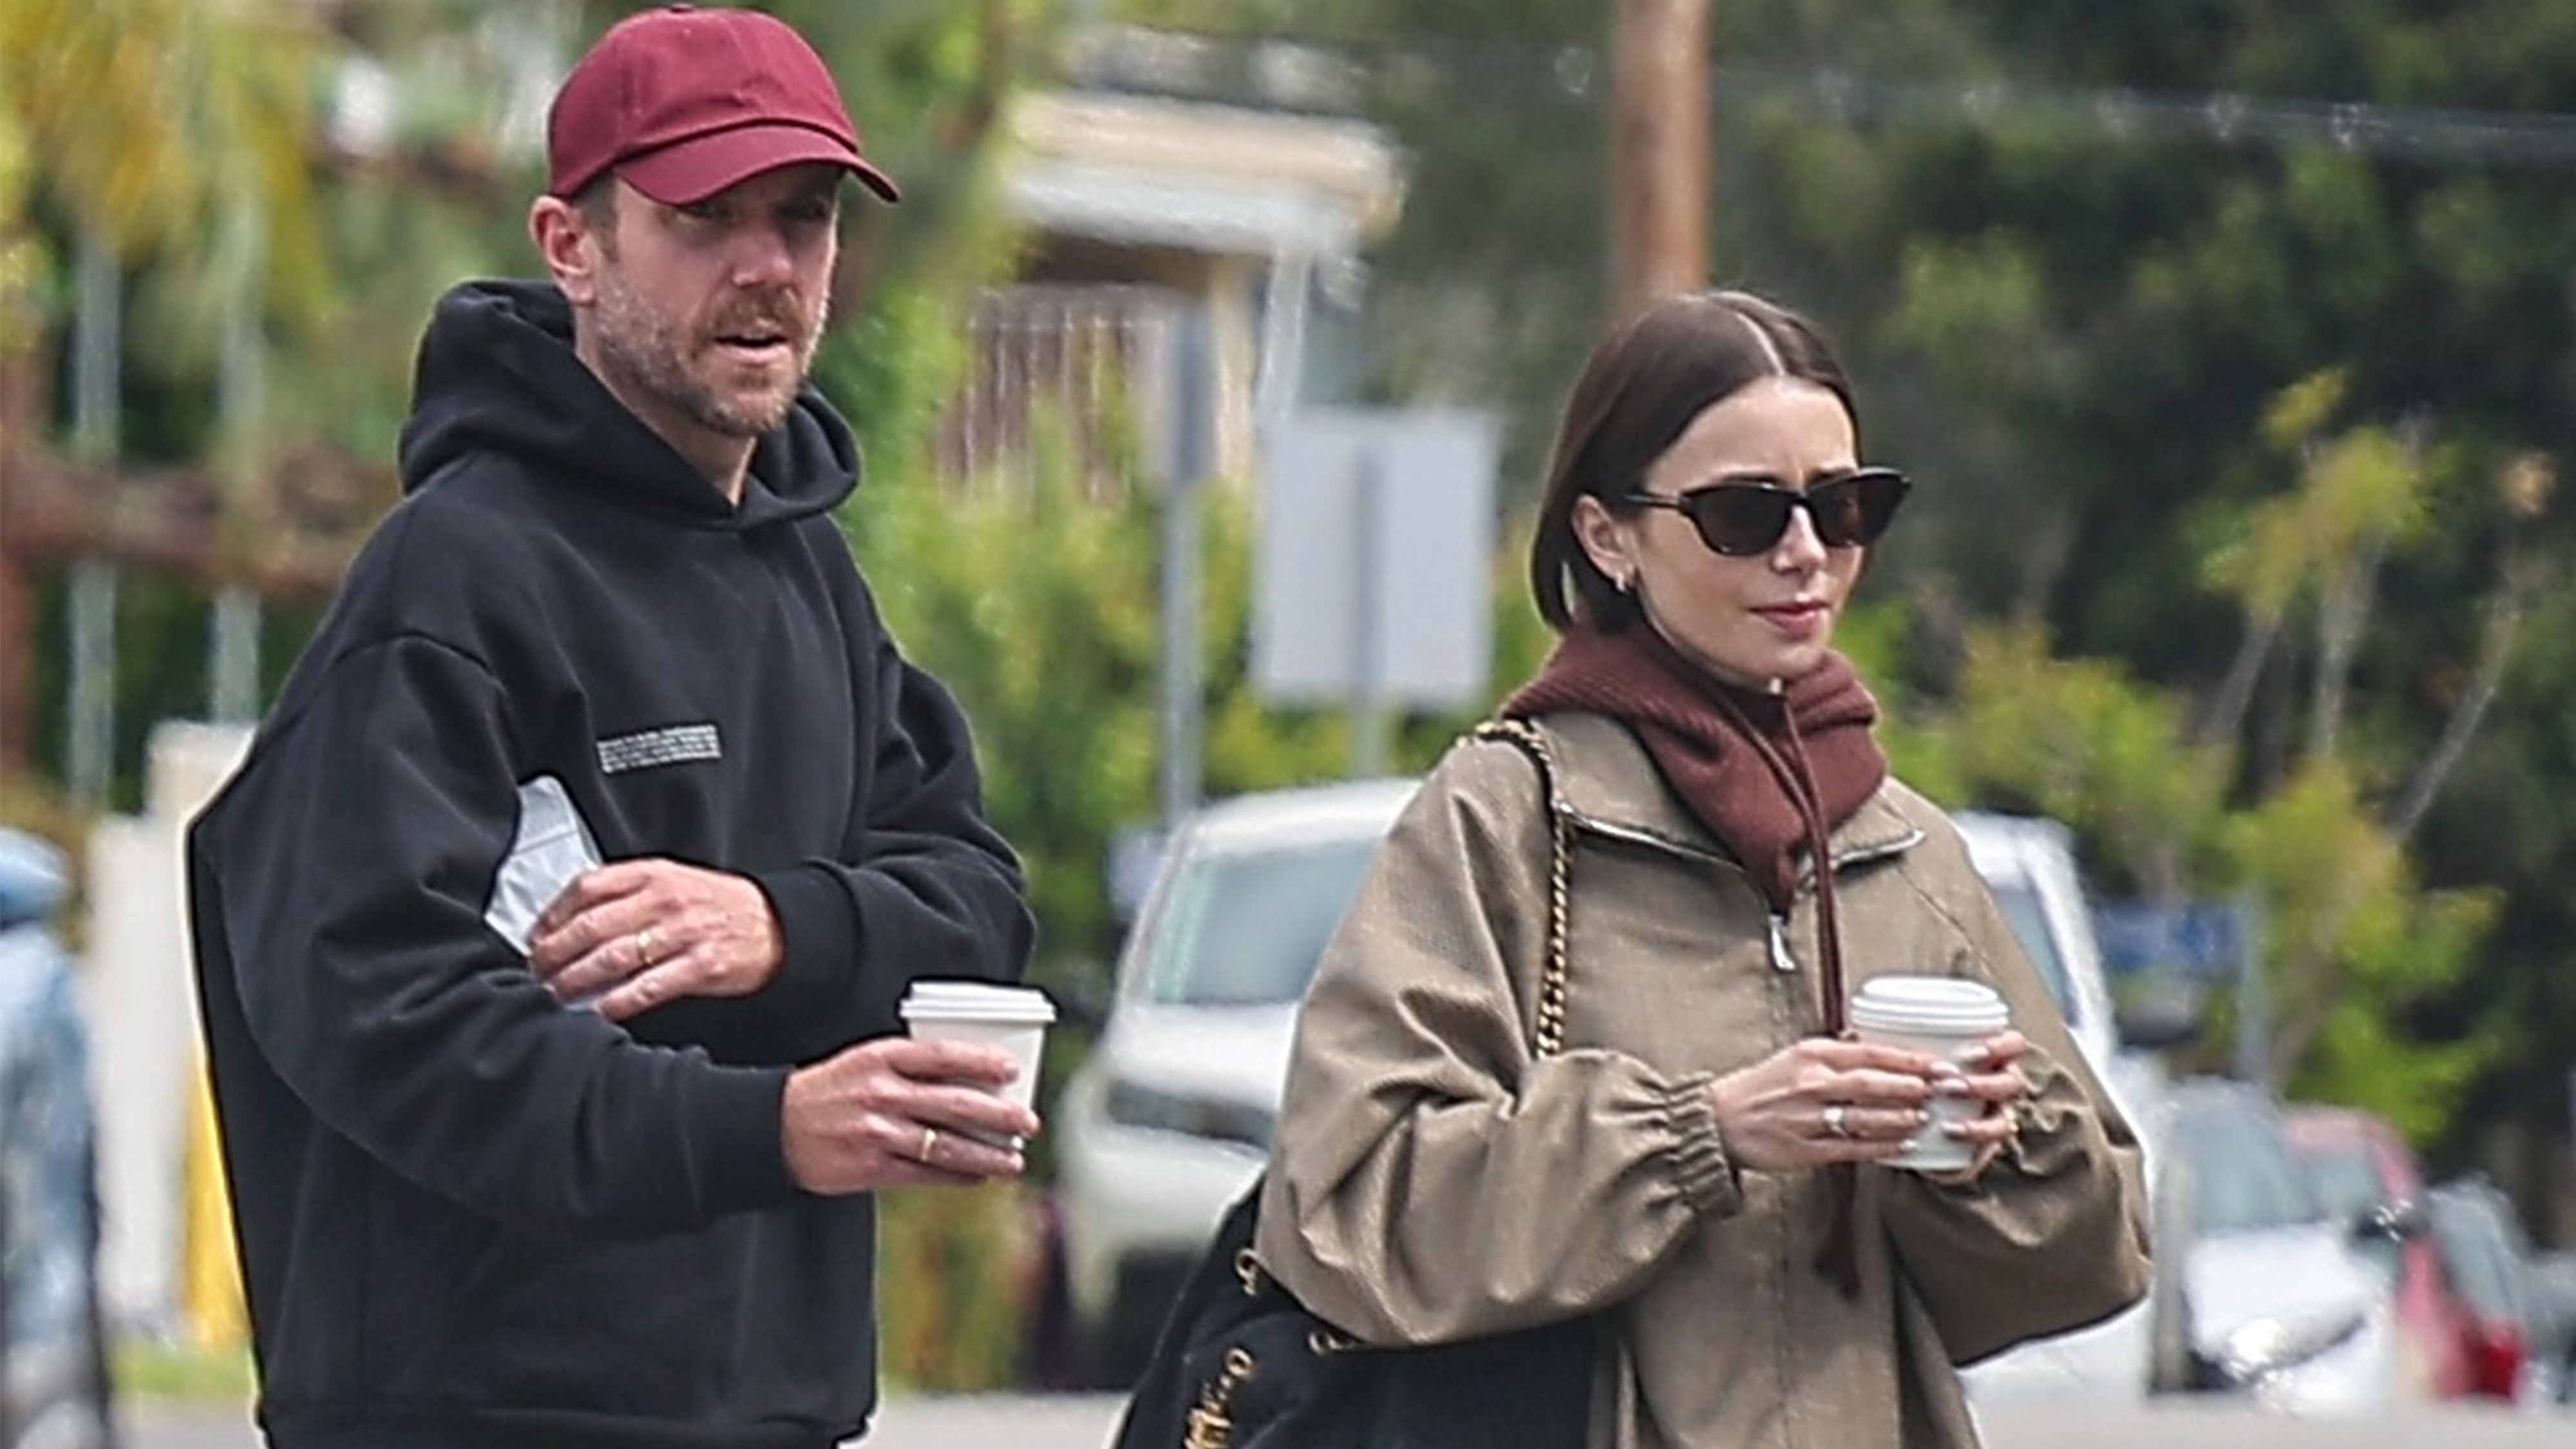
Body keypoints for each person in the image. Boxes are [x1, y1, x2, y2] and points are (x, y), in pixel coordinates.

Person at [185, 8, 1037, 1447]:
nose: (767, 265)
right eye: (704, 216)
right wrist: (762, 1132)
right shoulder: (453, 580)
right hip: (476, 1415)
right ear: (569, 245)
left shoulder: (810, 579)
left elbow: (976, 910)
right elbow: (376, 1011)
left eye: (803, 216)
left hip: (774, 1412)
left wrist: (778, 926)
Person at [1253, 289, 2151, 1448]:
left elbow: (2094, 1256)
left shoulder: (1901, 846)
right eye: (1743, 512)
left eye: (1844, 507)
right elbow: (1348, 1208)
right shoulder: (1510, 816)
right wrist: (1700, 1134)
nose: (1805, 554)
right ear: (1605, 536)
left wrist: (1989, 1149)